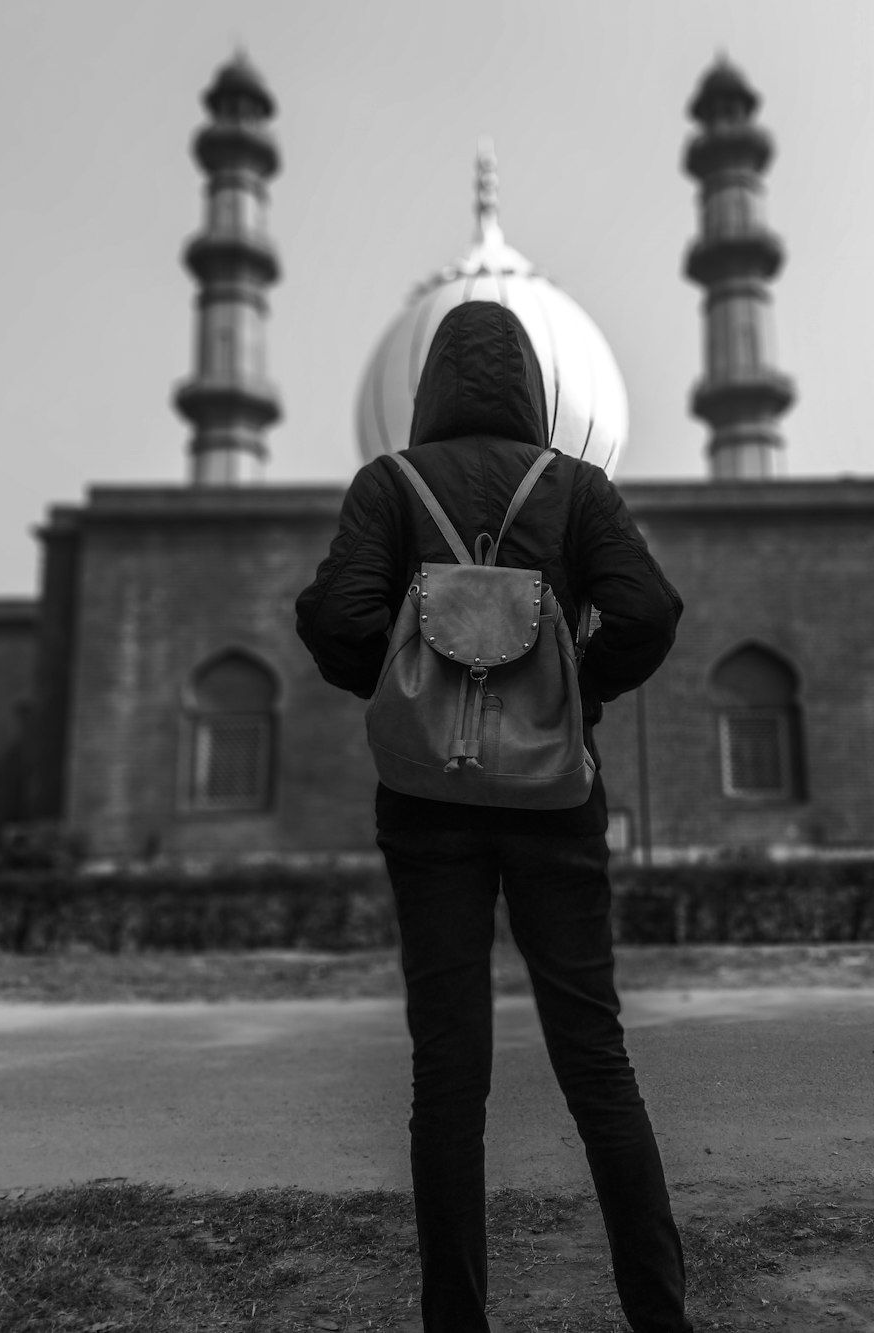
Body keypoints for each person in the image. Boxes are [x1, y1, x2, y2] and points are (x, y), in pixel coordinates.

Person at [295, 300, 692, 1333]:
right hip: (554, 793)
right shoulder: (574, 486)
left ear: (427, 385)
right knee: (593, 1056)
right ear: (530, 382)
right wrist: (575, 693)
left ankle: (455, 1323)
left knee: (448, 1070)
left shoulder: (391, 485)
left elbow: (336, 616)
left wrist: (399, 686)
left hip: (427, 801)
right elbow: (650, 610)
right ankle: (658, 1316)